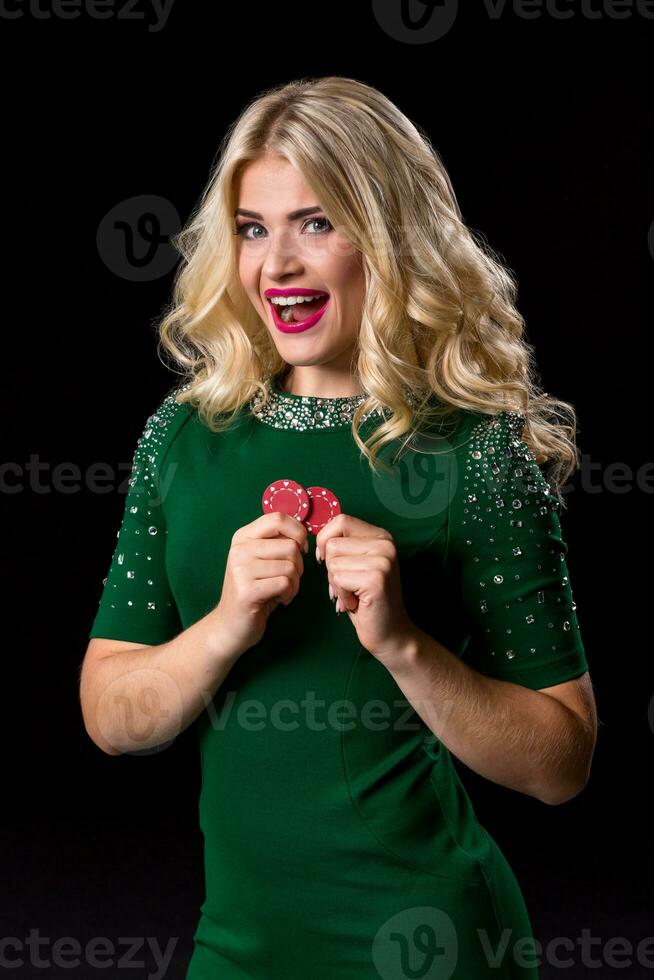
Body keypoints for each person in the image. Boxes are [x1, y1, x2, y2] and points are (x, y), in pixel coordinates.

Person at [80, 76, 598, 979]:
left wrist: (403, 643)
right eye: (253, 228)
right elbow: (110, 718)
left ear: (389, 238)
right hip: (238, 946)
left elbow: (562, 762)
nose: (276, 263)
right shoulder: (182, 438)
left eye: (316, 223)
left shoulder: (475, 455)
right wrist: (222, 631)